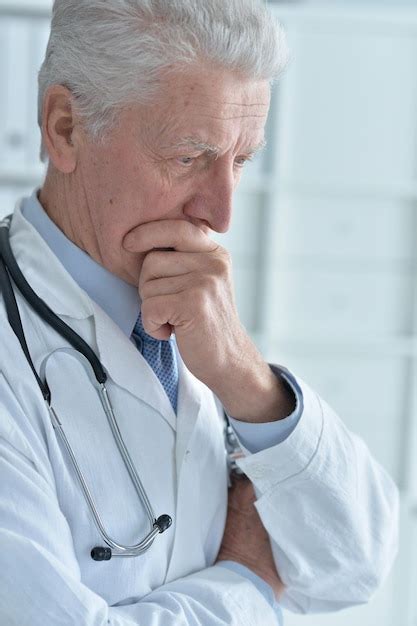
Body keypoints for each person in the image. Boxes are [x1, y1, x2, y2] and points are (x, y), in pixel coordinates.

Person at [0, 1, 398, 625]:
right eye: (188, 157)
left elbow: (352, 566)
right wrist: (246, 582)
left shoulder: (195, 313)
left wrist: (247, 379)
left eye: (240, 161)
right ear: (65, 127)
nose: (221, 214)